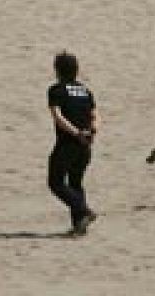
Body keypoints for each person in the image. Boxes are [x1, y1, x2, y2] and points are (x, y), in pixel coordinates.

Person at [46, 51, 99, 236]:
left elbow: (58, 116)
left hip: (68, 143)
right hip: (85, 145)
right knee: (76, 183)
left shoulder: (56, 90)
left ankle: (83, 211)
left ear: (57, 70)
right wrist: (92, 132)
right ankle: (79, 226)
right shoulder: (86, 91)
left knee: (55, 183)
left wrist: (76, 133)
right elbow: (95, 115)